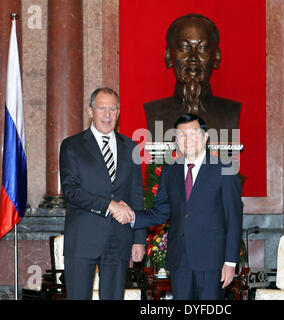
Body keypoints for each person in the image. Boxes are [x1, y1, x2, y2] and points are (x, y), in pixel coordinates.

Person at [123, 113, 243, 300]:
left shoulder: (224, 168)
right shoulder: (170, 170)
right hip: (180, 261)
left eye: (193, 133)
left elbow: (233, 218)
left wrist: (230, 262)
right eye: (181, 135)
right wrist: (132, 217)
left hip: (213, 262)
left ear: (205, 137)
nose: (187, 139)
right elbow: (161, 211)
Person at [59, 87, 146, 300]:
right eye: (102, 108)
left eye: (113, 109)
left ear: (119, 113)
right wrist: (110, 205)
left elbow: (136, 195)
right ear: (90, 111)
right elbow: (71, 191)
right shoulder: (72, 146)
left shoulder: (130, 147)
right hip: (82, 240)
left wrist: (139, 240)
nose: (108, 115)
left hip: (119, 240)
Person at [144, 13, 241, 142]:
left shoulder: (230, 112)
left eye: (202, 48)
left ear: (216, 57)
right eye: (184, 48)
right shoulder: (154, 112)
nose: (193, 58)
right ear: (169, 56)